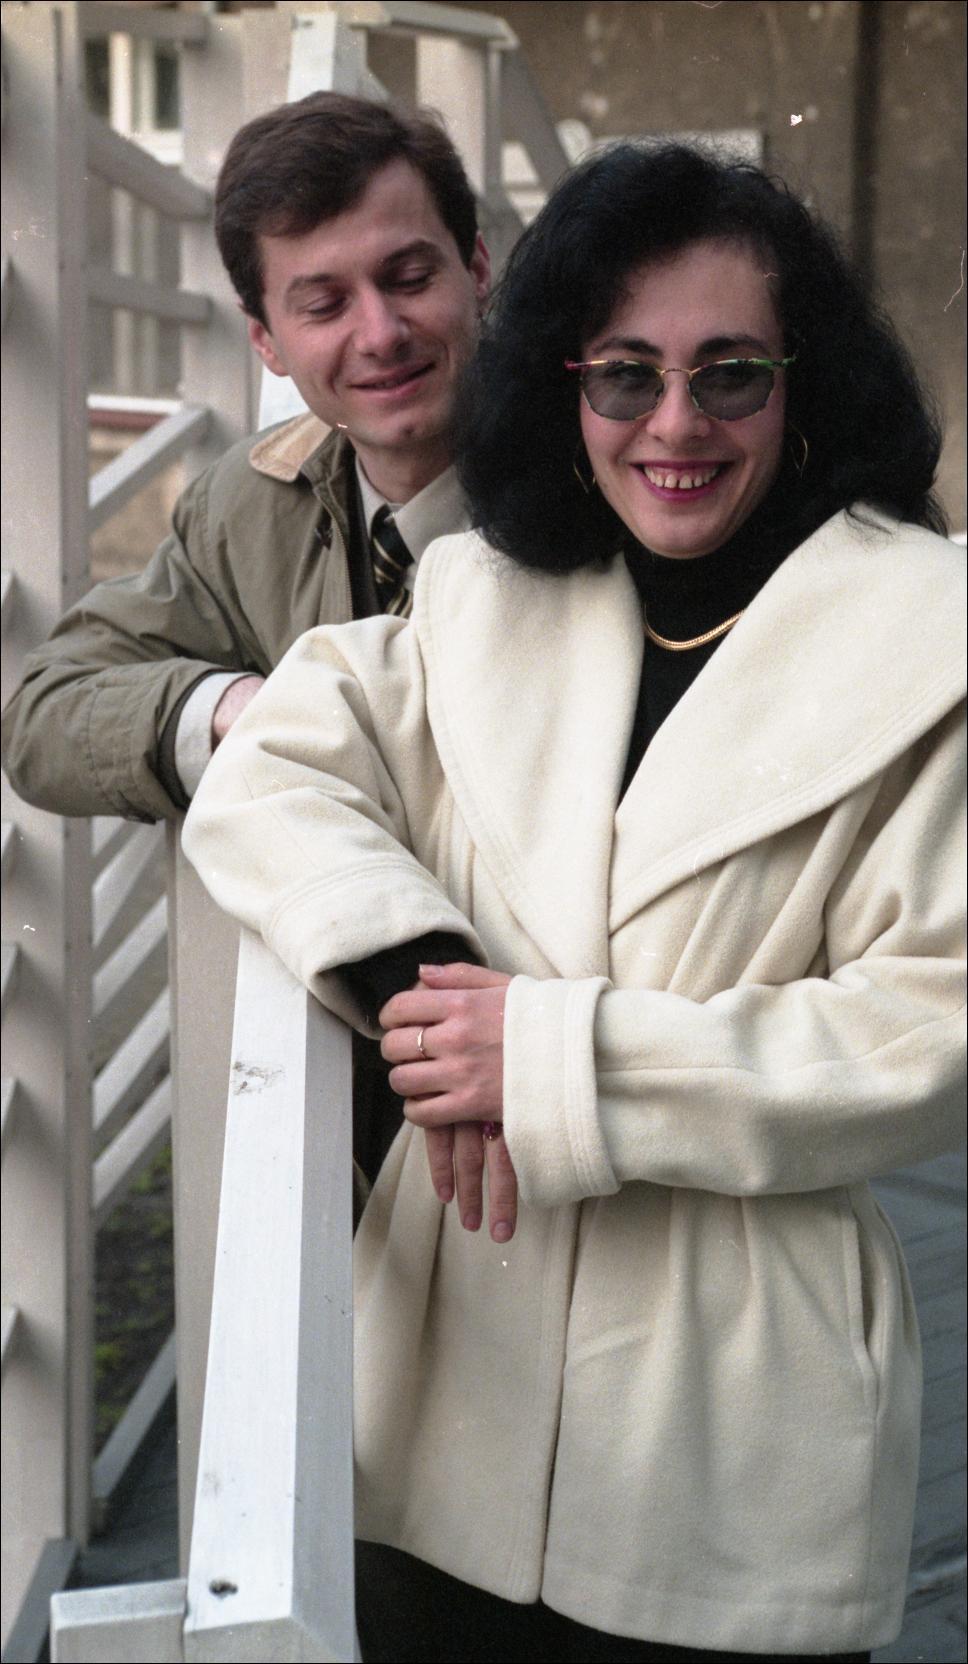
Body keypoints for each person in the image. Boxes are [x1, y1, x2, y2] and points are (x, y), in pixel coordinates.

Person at [182, 143, 966, 1662]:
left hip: (730, 1445)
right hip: (444, 1409)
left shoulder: (927, 646)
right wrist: (426, 982)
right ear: (566, 383)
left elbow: (927, 1026)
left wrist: (547, 1061)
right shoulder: (478, 598)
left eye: (729, 372)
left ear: (801, 383)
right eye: (623, 375)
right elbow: (273, 766)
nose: (675, 423)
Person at [0, 91, 490, 824]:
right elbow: (41, 717)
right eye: (324, 306)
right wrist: (232, 708)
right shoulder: (248, 504)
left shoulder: (611, 476)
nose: (381, 333)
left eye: (410, 279)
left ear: (477, 270)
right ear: (266, 341)